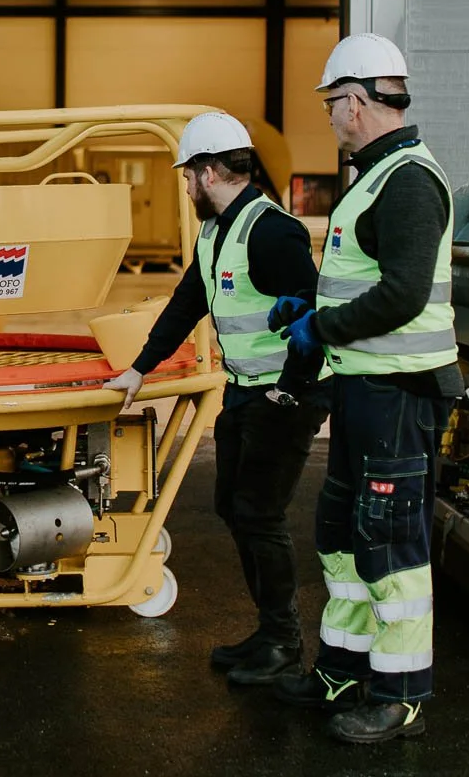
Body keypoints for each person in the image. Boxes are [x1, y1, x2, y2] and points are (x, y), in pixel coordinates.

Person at [272, 32, 461, 745]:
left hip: (397, 392)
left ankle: (402, 694)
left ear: (354, 102)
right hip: (364, 390)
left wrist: (323, 330)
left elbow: (405, 294)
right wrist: (316, 315)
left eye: (330, 106)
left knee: (390, 546)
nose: (331, 118)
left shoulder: (408, 179)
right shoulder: (379, 175)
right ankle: (344, 672)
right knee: (345, 541)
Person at [106, 112, 329, 687]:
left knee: (261, 512)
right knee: (233, 505)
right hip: (246, 391)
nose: (184, 188)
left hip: (284, 395)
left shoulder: (270, 231)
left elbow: (310, 317)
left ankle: (284, 641)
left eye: (187, 177)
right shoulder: (216, 231)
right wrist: (138, 370)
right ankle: (269, 631)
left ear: (208, 173)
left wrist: (290, 392)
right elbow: (187, 304)